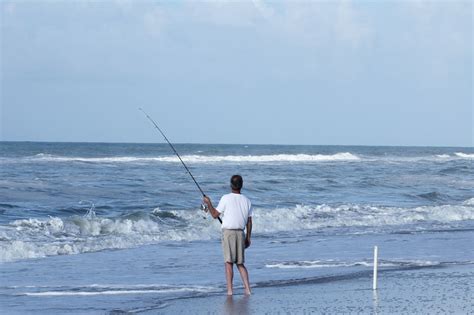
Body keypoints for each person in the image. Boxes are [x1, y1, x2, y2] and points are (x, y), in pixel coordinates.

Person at [203, 174, 253, 296]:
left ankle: (230, 291)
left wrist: (208, 203)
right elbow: (249, 221)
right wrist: (248, 238)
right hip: (241, 233)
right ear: (241, 185)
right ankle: (247, 289)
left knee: (228, 262)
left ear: (231, 185)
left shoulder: (226, 198)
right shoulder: (247, 200)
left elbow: (215, 214)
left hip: (228, 233)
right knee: (240, 263)